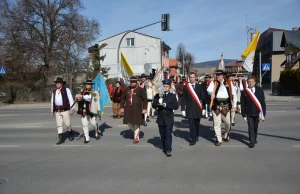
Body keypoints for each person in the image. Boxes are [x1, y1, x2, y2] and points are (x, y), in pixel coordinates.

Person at [207, 70, 237, 146]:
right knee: (217, 123)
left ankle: (226, 135)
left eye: (219, 75)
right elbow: (209, 90)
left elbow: (234, 94)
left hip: (226, 105)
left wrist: (234, 105)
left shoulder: (229, 83)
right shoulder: (213, 83)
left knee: (228, 123)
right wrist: (211, 93)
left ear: (223, 76)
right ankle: (218, 139)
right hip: (216, 105)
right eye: (216, 75)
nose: (217, 76)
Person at [152, 79, 179, 157]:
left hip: (169, 118)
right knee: (162, 135)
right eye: (164, 86)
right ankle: (164, 147)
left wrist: (166, 105)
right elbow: (153, 105)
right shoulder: (158, 95)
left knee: (168, 134)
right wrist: (157, 102)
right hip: (160, 118)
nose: (165, 87)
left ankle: (168, 149)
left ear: (169, 87)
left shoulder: (172, 96)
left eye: (167, 86)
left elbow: (176, 106)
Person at [120, 76, 148, 144]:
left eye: (133, 82)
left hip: (137, 109)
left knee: (136, 123)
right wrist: (122, 107)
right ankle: (136, 131)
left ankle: (136, 138)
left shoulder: (140, 89)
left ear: (136, 82)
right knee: (129, 123)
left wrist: (144, 108)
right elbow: (123, 99)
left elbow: (145, 100)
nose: (132, 83)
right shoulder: (126, 89)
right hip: (128, 109)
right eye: (131, 82)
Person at [241, 77, 266, 148]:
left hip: (258, 112)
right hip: (249, 113)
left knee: (255, 126)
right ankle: (252, 142)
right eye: (249, 82)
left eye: (251, 81)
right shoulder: (244, 91)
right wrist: (243, 113)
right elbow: (243, 104)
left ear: (255, 82)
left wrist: (263, 113)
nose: (250, 83)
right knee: (251, 127)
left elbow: (263, 102)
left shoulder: (260, 90)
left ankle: (254, 138)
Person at [181, 72, 205, 146]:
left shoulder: (199, 86)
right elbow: (183, 99)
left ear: (195, 78)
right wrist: (183, 109)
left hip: (198, 108)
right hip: (189, 109)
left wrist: (204, 109)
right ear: (189, 78)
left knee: (197, 124)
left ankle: (196, 134)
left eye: (193, 77)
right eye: (190, 77)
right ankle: (193, 138)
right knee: (191, 124)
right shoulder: (186, 87)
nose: (191, 79)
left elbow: (202, 98)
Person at [74, 79, 101, 144]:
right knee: (84, 125)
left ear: (91, 85)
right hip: (84, 110)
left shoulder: (95, 92)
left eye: (89, 84)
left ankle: (96, 131)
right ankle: (87, 138)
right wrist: (77, 98)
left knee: (93, 123)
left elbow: (90, 98)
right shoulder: (82, 91)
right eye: (86, 84)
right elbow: (80, 99)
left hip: (91, 111)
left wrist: (82, 96)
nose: (87, 85)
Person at [51, 77, 75, 145]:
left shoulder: (66, 90)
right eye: (56, 83)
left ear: (61, 83)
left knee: (67, 124)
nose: (57, 84)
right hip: (57, 110)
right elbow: (52, 101)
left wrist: (71, 109)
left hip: (65, 110)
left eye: (58, 83)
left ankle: (70, 132)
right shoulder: (54, 91)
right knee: (59, 125)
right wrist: (52, 111)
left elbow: (70, 99)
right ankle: (61, 139)